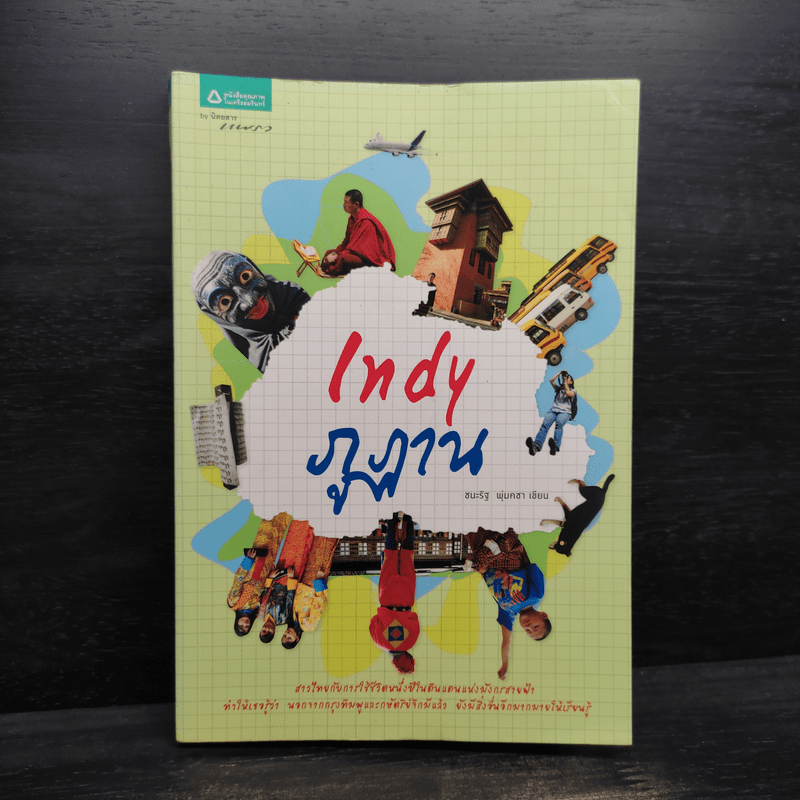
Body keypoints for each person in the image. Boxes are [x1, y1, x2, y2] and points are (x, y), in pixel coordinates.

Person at [191, 251, 309, 372]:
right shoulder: (263, 363)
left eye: (245, 277)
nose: (249, 301)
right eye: (225, 302)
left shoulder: (297, 294)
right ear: (215, 316)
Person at [471, 529, 550, 680]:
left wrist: (505, 665)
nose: (528, 626)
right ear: (543, 615)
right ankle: (493, 545)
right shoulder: (536, 595)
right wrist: (515, 545)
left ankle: (486, 548)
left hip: (486, 562)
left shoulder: (508, 613)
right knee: (495, 532)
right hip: (506, 554)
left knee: (473, 534)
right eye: (535, 626)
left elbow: (506, 640)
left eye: (528, 631)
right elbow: (528, 564)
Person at [368, 512, 419, 674]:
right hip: (387, 595)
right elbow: (374, 621)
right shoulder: (380, 643)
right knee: (390, 554)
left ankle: (408, 520)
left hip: (406, 596)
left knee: (406, 554)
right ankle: (392, 521)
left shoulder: (410, 641)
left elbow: (414, 620)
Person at [320, 190, 396, 276]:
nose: (343, 205)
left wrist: (337, 256)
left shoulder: (366, 222)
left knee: (342, 259)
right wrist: (335, 252)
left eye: (346, 202)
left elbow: (355, 248)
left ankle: (328, 270)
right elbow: (346, 242)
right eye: (344, 202)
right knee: (329, 252)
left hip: (369, 260)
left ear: (356, 205)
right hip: (355, 253)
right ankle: (326, 268)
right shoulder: (352, 219)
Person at [542, 475, 615, 557]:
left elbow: (564, 523)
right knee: (582, 491)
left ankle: (584, 485)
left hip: (599, 500)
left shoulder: (573, 529)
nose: (551, 544)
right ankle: (580, 482)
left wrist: (547, 521)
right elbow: (566, 518)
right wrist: (559, 501)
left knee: (592, 493)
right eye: (551, 546)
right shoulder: (569, 530)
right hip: (596, 495)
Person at [526, 370, 577, 456]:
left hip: (565, 413)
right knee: (544, 426)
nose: (565, 377)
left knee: (559, 424)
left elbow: (568, 393)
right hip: (553, 411)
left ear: (571, 382)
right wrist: (560, 373)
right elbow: (551, 380)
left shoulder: (573, 391)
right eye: (565, 377)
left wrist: (565, 382)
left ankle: (555, 447)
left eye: (568, 377)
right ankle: (536, 446)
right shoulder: (559, 389)